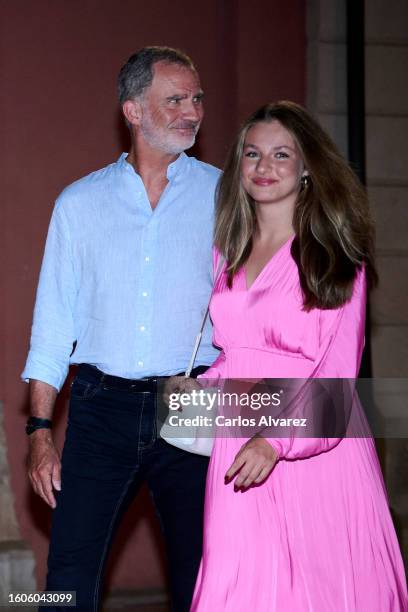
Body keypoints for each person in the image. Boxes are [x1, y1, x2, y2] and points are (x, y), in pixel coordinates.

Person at [22, 46, 220, 612]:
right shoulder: (79, 204)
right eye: (175, 99)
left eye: (197, 98)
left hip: (195, 403)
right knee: (67, 577)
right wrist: (39, 433)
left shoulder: (227, 195)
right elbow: (53, 326)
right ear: (133, 111)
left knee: (203, 574)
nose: (192, 111)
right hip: (100, 408)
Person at [190, 102, 408, 611]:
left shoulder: (334, 255)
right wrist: (201, 388)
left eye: (281, 154)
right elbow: (236, 353)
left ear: (307, 166)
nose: (264, 167)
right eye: (252, 154)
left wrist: (276, 438)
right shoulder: (230, 249)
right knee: (235, 584)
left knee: (316, 592)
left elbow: (337, 374)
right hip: (239, 440)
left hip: (314, 441)